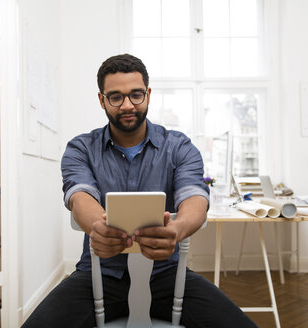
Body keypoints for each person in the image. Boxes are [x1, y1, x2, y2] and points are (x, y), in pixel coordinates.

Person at [22, 54, 257, 328]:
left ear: (148, 94)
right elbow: (80, 196)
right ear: (102, 100)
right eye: (115, 97)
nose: (127, 105)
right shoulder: (81, 148)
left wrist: (177, 229)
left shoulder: (179, 146)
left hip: (166, 275)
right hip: (99, 274)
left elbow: (194, 196)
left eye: (135, 95)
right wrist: (99, 227)